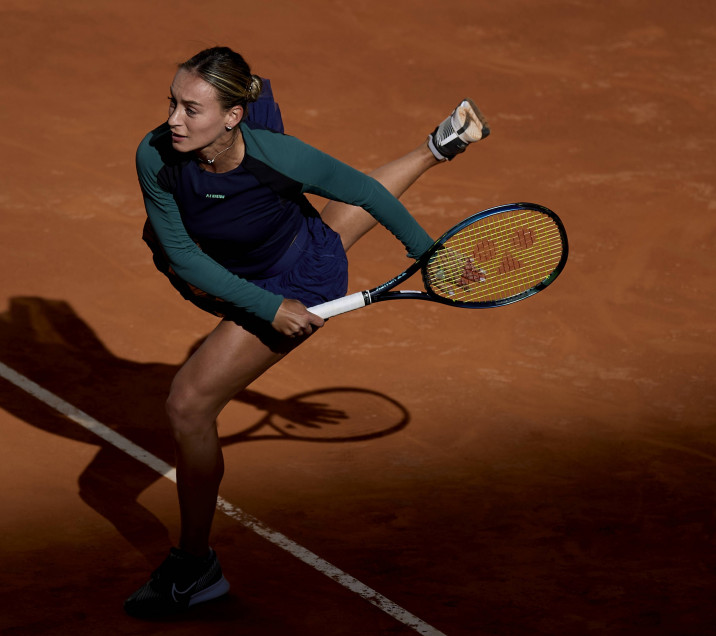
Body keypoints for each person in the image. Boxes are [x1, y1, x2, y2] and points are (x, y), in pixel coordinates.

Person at [125, 46, 489, 619]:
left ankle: (194, 571)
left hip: (298, 272)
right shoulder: (157, 153)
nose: (173, 118)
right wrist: (266, 306)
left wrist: (430, 256)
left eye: (191, 109)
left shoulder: (280, 156)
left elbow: (363, 194)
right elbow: (185, 258)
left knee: (188, 406)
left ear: (230, 116)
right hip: (248, 262)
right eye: (173, 102)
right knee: (310, 222)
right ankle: (436, 146)